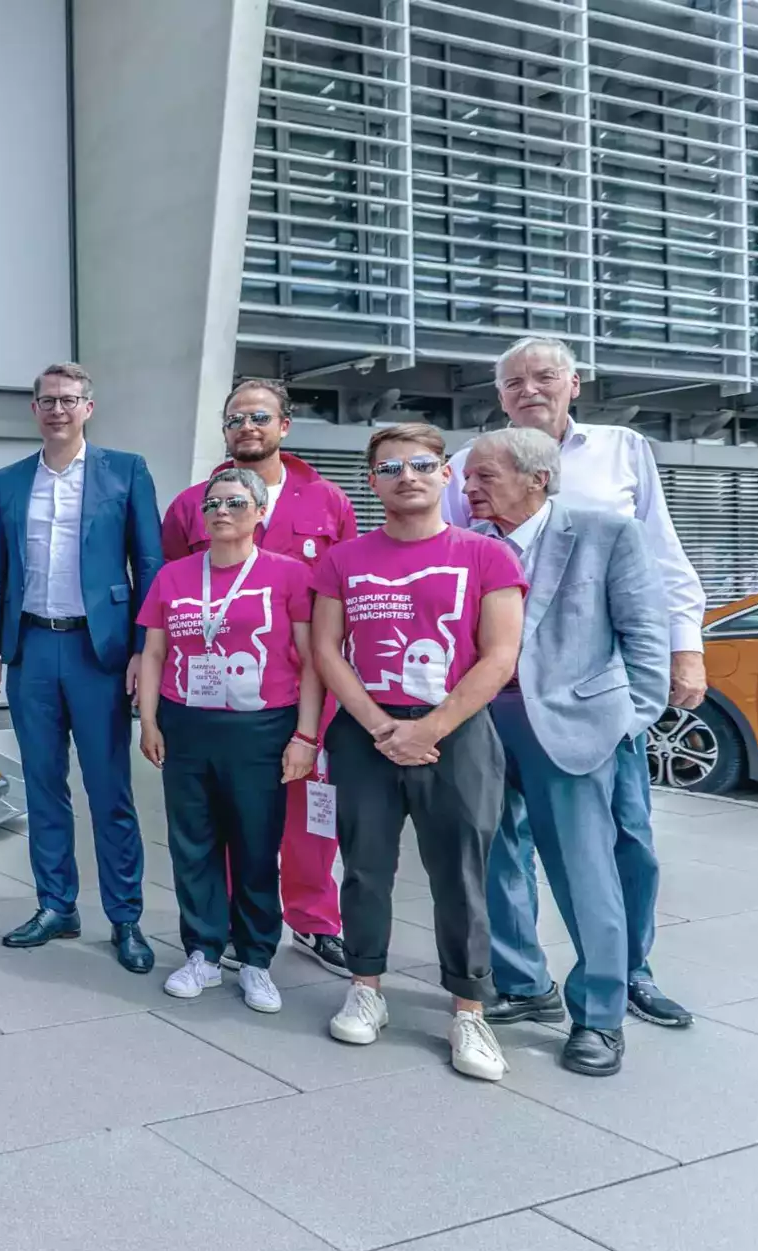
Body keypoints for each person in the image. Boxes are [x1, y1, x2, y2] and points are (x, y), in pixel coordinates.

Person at [446, 334, 702, 1028]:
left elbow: (657, 586)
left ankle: (614, 992)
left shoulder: (619, 464)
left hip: (585, 710)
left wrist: (643, 701)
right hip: (489, 715)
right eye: (513, 382)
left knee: (614, 853)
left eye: (544, 376)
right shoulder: (472, 510)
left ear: (574, 382)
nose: (528, 389)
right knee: (499, 854)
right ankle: (523, 980)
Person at [311, 423, 524, 1083]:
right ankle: (366, 988)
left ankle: (468, 1009)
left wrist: (431, 727)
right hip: (367, 733)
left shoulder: (486, 557)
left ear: (445, 475)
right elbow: (325, 650)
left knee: (461, 874)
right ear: (372, 481)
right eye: (391, 467)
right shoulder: (344, 560)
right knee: (365, 868)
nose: (407, 476)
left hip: (456, 736)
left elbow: (500, 655)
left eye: (421, 465)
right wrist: (380, 726)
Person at [462, 428, 670, 1076]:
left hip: (575, 732)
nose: (467, 489)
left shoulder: (606, 533)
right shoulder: (468, 548)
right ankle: (524, 985)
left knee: (585, 876)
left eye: (483, 478)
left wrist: (622, 721)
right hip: (483, 728)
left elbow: (646, 635)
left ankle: (600, 1017)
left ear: (537, 479)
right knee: (495, 864)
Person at [165, 378, 359, 975]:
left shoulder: (326, 501)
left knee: (308, 814)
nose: (246, 427)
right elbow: (169, 592)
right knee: (229, 815)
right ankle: (223, 929)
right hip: (219, 699)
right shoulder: (193, 503)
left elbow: (345, 590)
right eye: (234, 419)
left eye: (259, 416)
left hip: (305, 694)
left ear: (285, 425)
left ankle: (313, 919)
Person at [0, 362, 162, 972]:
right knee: (44, 786)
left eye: (69, 400)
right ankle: (57, 905)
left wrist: (143, 648)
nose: (57, 409)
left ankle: (126, 917)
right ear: (34, 409)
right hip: (32, 648)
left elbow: (150, 567)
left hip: (99, 652)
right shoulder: (8, 481)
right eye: (47, 400)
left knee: (110, 791)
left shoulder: (125, 472)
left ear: (89, 407)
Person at [137, 468, 321, 1012]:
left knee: (255, 843)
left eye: (236, 503)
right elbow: (152, 654)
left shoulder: (288, 576)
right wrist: (149, 722)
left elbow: (312, 662)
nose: (221, 512)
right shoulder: (173, 576)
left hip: (261, 727)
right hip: (187, 721)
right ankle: (202, 951)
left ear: (260, 513)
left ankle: (258, 957)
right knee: (192, 841)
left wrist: (306, 736)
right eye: (213, 503)